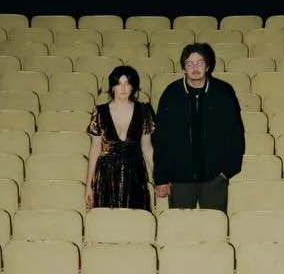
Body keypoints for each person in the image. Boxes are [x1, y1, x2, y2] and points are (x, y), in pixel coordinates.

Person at [152, 42, 245, 211]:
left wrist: (226, 172)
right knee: (180, 229)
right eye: (189, 64)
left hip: (214, 178)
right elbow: (161, 139)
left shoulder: (223, 92)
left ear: (208, 65)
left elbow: (235, 134)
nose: (195, 68)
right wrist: (161, 178)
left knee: (214, 228)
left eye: (199, 63)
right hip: (179, 178)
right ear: (184, 67)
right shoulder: (171, 94)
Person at [86, 64, 156, 211]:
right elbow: (95, 148)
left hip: (135, 174)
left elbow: (147, 148)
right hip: (106, 175)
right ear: (112, 87)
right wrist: (88, 186)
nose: (123, 88)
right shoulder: (100, 111)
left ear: (133, 87)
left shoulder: (144, 111)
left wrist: (159, 178)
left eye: (127, 83)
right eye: (119, 83)